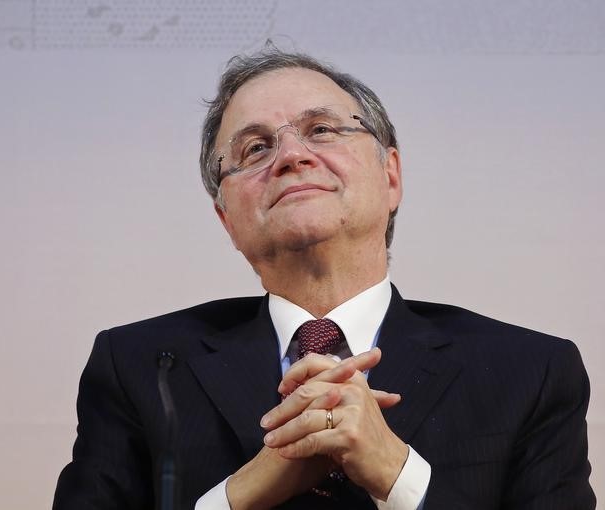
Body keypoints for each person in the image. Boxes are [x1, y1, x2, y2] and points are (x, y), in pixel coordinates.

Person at [52, 48, 595, 509]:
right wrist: (235, 497)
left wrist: (401, 478)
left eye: (321, 130)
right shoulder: (139, 366)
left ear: (390, 177)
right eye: (255, 148)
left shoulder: (530, 371)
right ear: (226, 219)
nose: (291, 155)